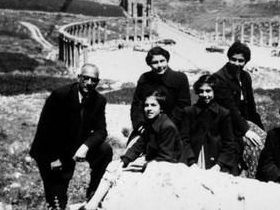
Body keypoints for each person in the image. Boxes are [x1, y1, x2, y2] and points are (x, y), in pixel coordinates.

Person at [80, 90, 181, 210]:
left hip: (162, 164)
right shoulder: (151, 123)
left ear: (162, 108)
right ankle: (93, 203)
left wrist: (139, 163)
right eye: (146, 105)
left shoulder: (166, 126)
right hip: (150, 159)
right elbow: (139, 145)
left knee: (119, 172)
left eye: (153, 105)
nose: (149, 108)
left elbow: (166, 157)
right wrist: (126, 160)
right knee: (114, 165)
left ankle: (95, 204)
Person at [30, 64, 113, 209]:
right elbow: (44, 130)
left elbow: (101, 131)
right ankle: (56, 204)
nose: (89, 83)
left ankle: (93, 195)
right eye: (85, 78)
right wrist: (53, 158)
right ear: (79, 77)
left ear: (97, 82)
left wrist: (85, 147)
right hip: (50, 148)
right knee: (57, 200)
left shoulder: (99, 100)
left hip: (75, 145)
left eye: (93, 80)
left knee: (105, 150)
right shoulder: (60, 95)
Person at [212, 41, 264, 173]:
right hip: (227, 122)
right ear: (228, 58)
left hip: (243, 120)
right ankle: (252, 178)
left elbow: (251, 106)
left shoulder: (245, 76)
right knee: (254, 146)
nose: (236, 63)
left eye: (241, 60)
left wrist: (260, 128)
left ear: (246, 61)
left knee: (266, 141)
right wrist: (247, 130)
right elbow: (229, 108)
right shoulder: (219, 78)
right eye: (233, 59)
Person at [179, 74, 235, 173]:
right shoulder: (189, 111)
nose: (204, 95)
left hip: (217, 159)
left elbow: (228, 144)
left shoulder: (223, 113)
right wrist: (191, 162)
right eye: (201, 91)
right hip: (193, 157)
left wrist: (219, 165)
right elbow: (184, 140)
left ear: (214, 91)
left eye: (208, 91)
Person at [130, 46, 190, 136]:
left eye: (162, 61)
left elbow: (183, 106)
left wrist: (166, 126)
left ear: (167, 60)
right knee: (132, 147)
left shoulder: (180, 78)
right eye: (155, 62)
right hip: (147, 127)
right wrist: (140, 124)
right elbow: (137, 105)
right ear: (149, 64)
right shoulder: (144, 79)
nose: (160, 66)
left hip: (173, 126)